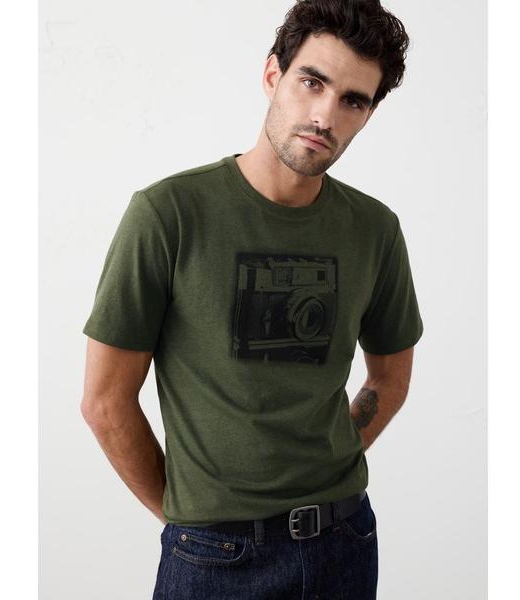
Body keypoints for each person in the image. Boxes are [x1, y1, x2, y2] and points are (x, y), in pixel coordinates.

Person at [80, 1, 423, 598]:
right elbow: (105, 401)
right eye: (312, 82)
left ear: (368, 115)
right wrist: (190, 519)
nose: (324, 115)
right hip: (213, 555)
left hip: (343, 540)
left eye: (352, 101)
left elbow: (390, 377)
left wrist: (330, 459)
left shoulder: (374, 229)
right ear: (272, 75)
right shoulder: (168, 214)